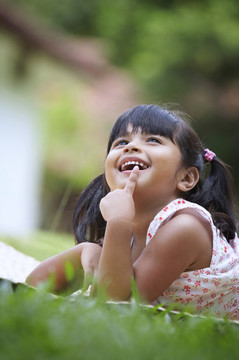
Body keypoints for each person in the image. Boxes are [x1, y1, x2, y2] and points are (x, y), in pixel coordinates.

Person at [26, 104, 239, 319]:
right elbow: (32, 287)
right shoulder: (128, 233)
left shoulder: (186, 226)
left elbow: (114, 305)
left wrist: (118, 220)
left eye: (153, 140)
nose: (131, 147)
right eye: (121, 142)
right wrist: (86, 250)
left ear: (186, 178)